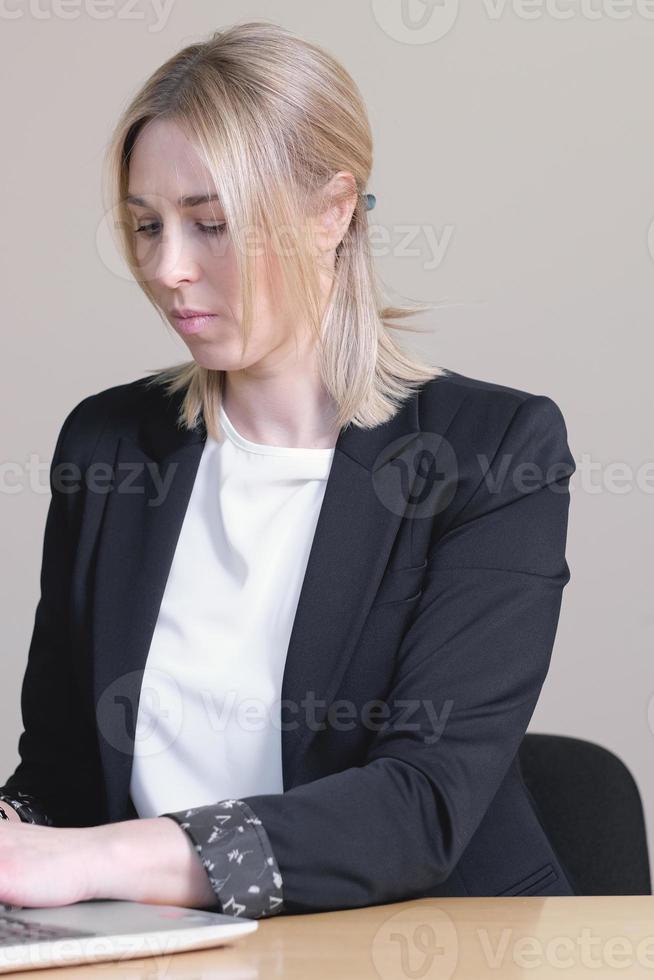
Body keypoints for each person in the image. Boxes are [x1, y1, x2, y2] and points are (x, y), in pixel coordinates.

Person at [0, 21, 577, 916]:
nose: (168, 269)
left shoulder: (494, 450)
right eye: (147, 226)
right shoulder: (107, 445)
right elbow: (68, 770)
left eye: (211, 224)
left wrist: (88, 862)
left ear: (332, 211)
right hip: (161, 947)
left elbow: (419, 807)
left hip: (433, 949)